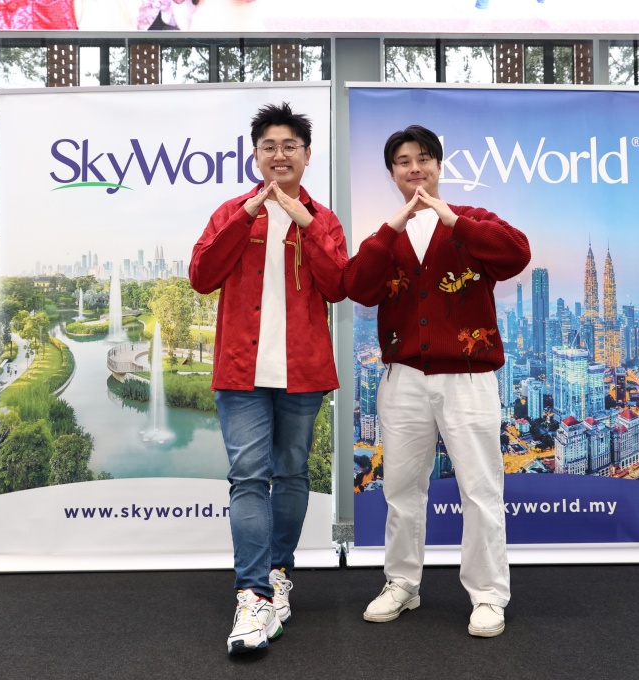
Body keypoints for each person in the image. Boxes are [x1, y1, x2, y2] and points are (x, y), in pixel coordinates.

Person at [344, 124, 530, 638]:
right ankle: (402, 583)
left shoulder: (472, 220)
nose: (415, 168)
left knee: (480, 489)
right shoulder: (387, 235)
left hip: (467, 378)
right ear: (392, 173)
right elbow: (356, 287)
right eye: (403, 161)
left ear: (440, 165)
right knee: (401, 488)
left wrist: (452, 219)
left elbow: (516, 253)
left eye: (424, 158)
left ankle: (488, 595)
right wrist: (391, 229)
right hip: (403, 377)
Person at [190, 103, 348, 654]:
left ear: (307, 155)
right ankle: (253, 595)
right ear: (255, 156)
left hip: (303, 372)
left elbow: (338, 286)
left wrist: (305, 223)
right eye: (269, 147)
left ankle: (279, 573)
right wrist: (247, 214)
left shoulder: (323, 219)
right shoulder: (231, 211)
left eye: (289, 146)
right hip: (241, 372)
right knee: (249, 478)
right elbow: (202, 276)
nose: (279, 155)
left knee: (293, 474)